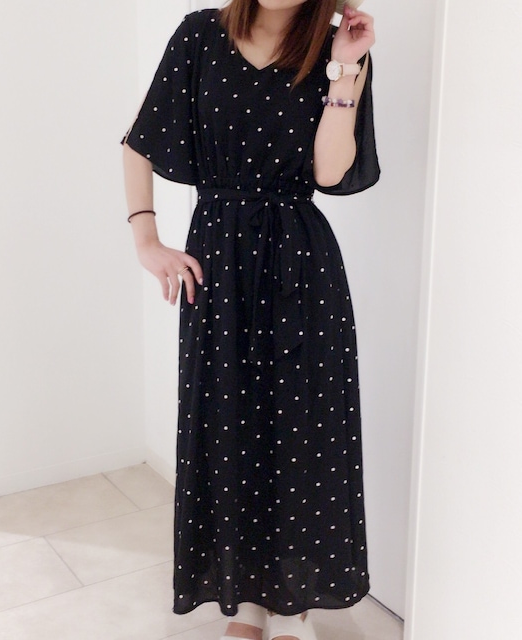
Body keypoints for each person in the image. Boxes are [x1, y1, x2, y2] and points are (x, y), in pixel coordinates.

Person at [122, 1, 379, 638]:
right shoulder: (200, 34)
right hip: (217, 262)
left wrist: (345, 70)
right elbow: (139, 141)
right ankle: (245, 599)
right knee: (228, 428)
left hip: (301, 263)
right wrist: (146, 239)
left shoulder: (337, 48)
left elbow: (329, 171)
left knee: (298, 432)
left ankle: (290, 608)